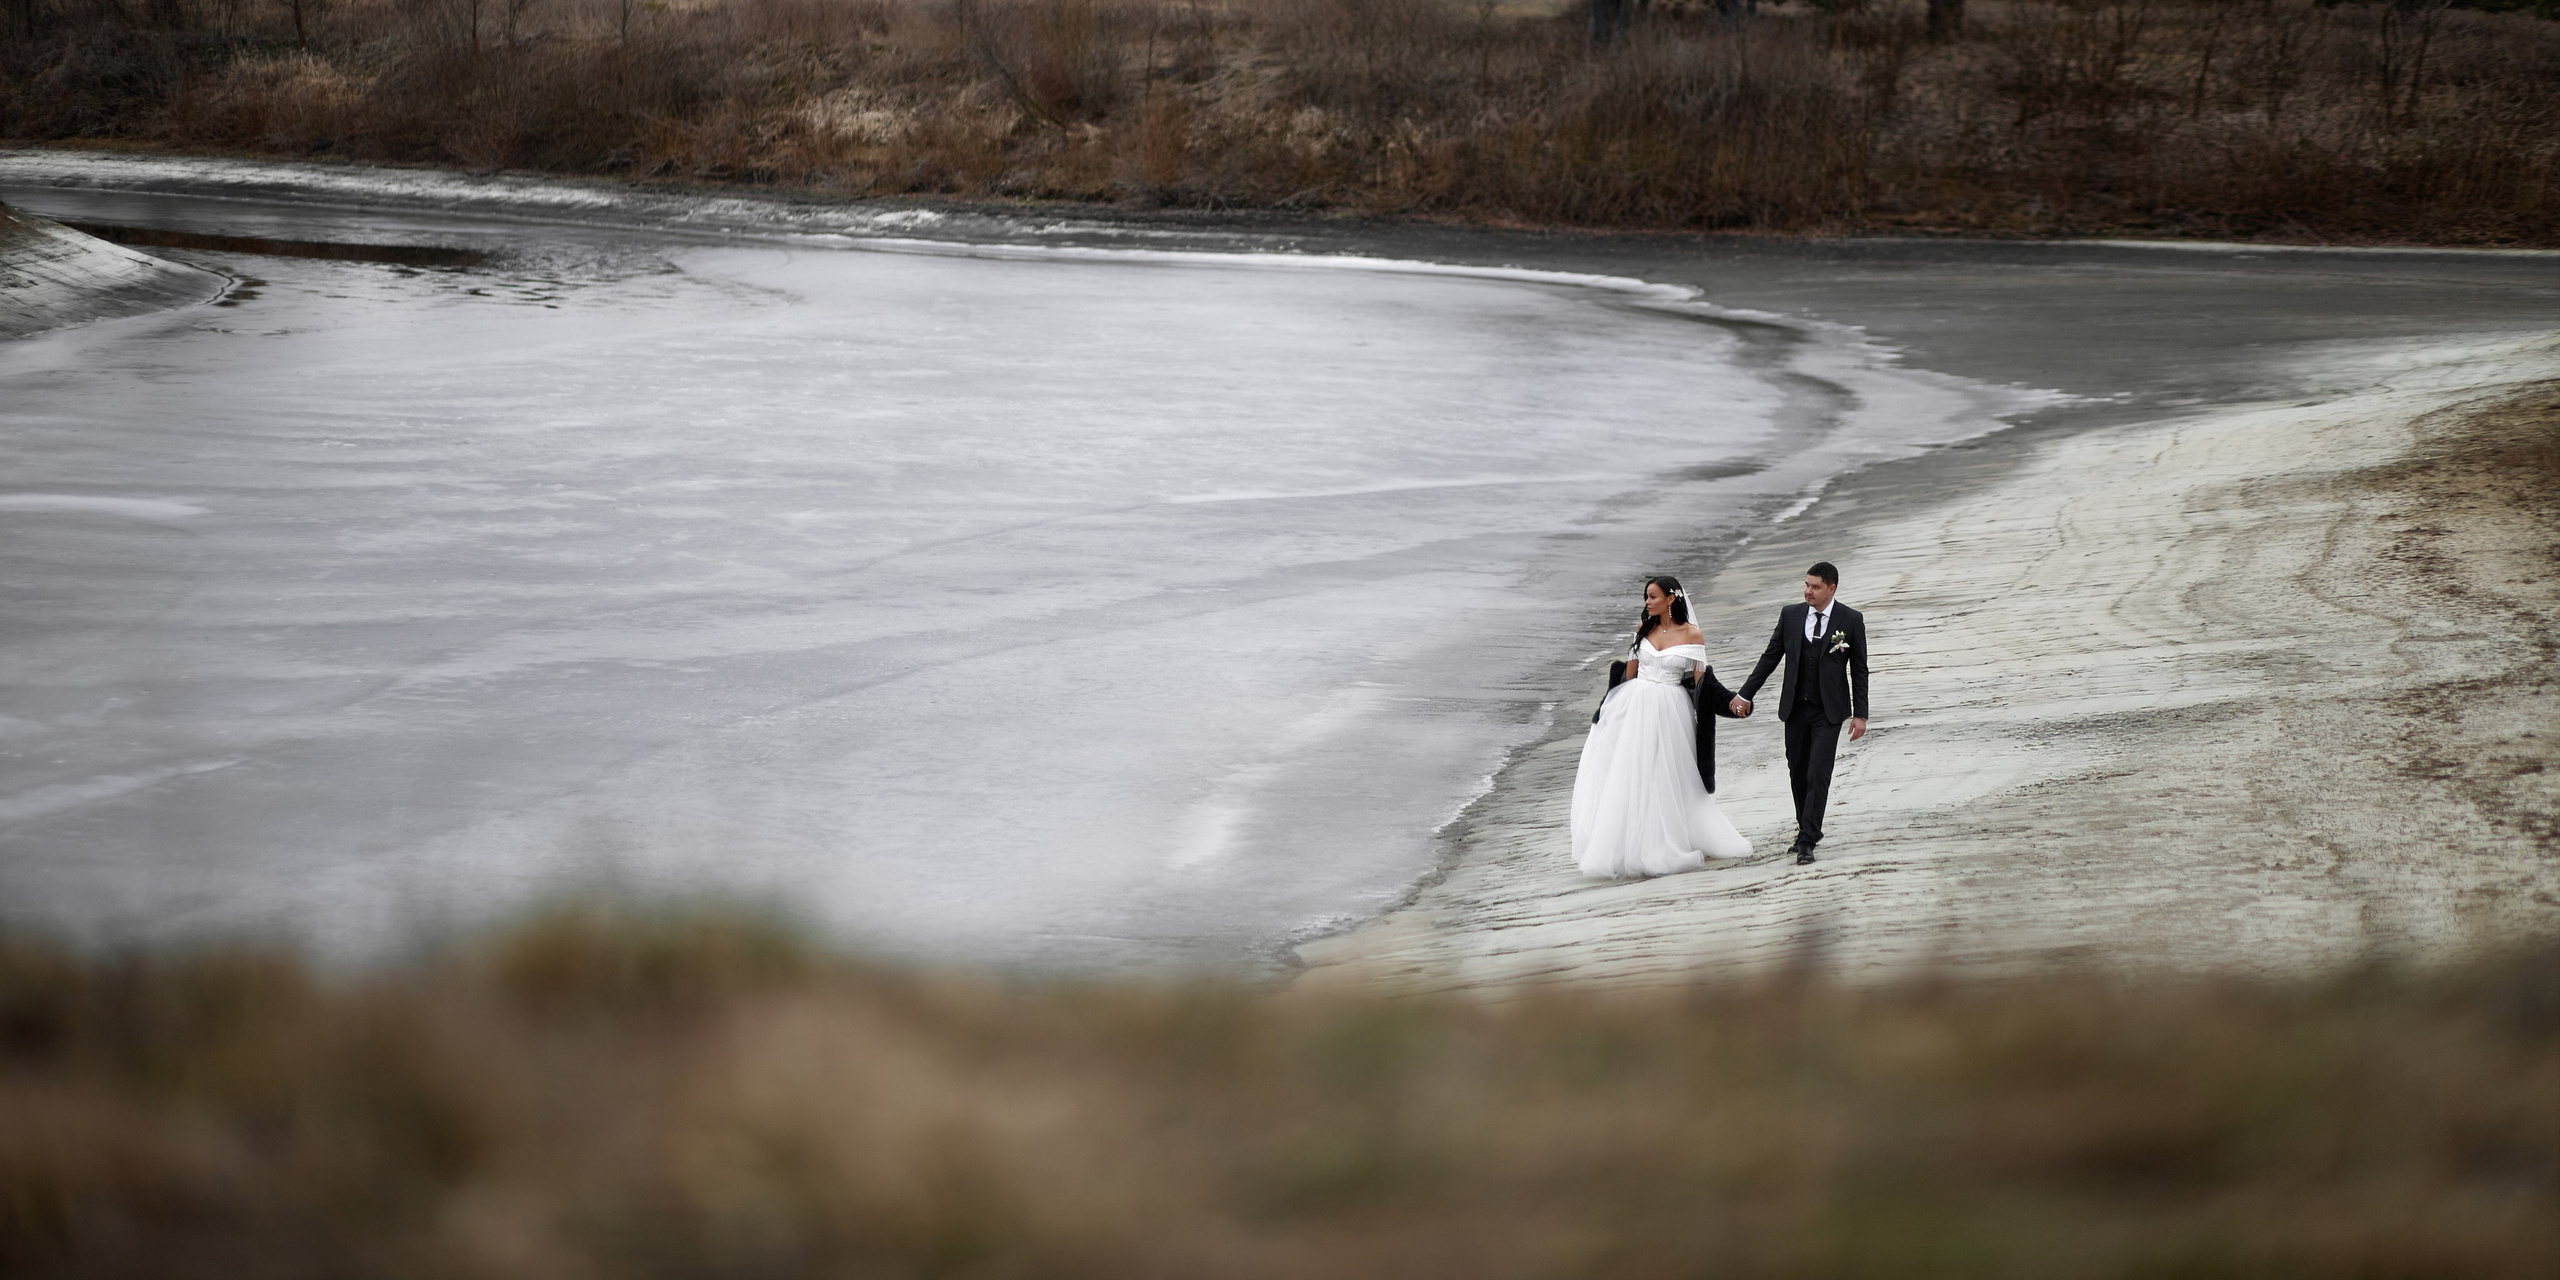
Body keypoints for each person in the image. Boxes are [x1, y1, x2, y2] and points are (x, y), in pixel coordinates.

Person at [1570, 575, 1753, 878]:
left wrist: (1733, 701)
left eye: (1653, 597)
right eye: (1646, 597)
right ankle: (1628, 845)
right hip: (1636, 705)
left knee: (1666, 774)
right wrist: (1611, 714)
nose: (1647, 602)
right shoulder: (1644, 629)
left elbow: (1703, 683)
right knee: (1632, 774)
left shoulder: (1692, 635)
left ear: (1671, 598)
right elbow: (1628, 677)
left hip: (1671, 710)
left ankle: (1667, 840)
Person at [1736, 561, 1870, 866]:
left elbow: (1859, 670)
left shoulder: (1850, 619)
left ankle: (1808, 839)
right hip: (1795, 707)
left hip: (1829, 710)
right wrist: (1745, 693)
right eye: (1806, 585)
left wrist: (1860, 714)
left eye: (1815, 586)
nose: (1808, 591)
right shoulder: (1791, 615)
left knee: (1818, 773)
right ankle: (1804, 828)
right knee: (1797, 771)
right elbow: (1770, 657)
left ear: (1831, 588)